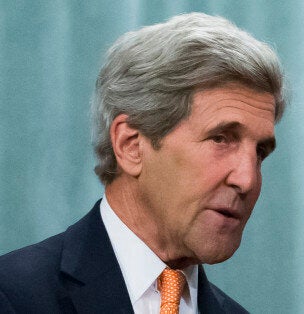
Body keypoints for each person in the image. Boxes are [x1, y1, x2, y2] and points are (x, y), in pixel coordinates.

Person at [0, 12, 285, 313]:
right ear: (131, 146)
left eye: (260, 153)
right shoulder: (14, 297)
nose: (248, 179)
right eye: (221, 139)